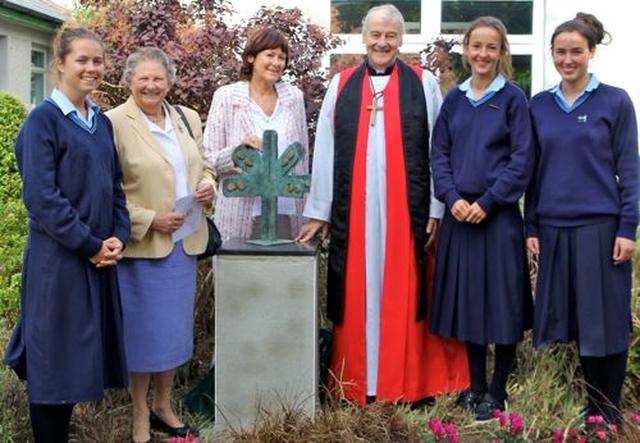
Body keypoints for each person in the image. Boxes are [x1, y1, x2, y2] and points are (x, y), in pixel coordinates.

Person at [296, 4, 469, 406]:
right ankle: (358, 382)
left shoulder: (423, 84)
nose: (382, 42)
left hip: (404, 211)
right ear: (363, 36)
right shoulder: (341, 85)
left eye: (390, 36)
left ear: (401, 40)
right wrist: (321, 210)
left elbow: (438, 150)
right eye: (375, 34)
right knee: (357, 288)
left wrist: (435, 208)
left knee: (404, 291)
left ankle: (403, 382)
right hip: (354, 211)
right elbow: (324, 148)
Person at [2, 25, 130, 442]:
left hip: (96, 260)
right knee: (53, 365)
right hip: (58, 263)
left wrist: (117, 238)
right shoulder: (43, 121)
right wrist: (90, 244)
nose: (91, 68)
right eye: (82, 60)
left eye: (97, 60)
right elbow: (42, 199)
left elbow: (114, 189)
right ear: (59, 64)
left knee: (75, 363)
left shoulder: (101, 123)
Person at [525, 13, 638, 425]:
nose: (568, 59)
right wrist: (531, 225)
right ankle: (593, 411)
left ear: (591, 53)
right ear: (551, 54)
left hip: (601, 227)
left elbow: (630, 168)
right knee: (573, 321)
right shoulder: (539, 105)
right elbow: (533, 172)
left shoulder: (615, 101)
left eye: (576, 51)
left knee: (605, 320)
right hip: (554, 228)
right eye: (560, 52)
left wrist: (628, 228)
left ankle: (611, 412)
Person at [106, 47, 216, 443]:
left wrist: (209, 187)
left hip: (184, 243)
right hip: (142, 249)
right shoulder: (113, 123)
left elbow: (203, 165)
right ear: (129, 81)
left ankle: (163, 406)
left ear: (170, 80)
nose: (152, 86)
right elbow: (108, 191)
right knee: (141, 337)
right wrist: (149, 219)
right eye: (143, 79)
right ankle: (138, 415)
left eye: (159, 79)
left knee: (172, 334)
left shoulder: (187, 117)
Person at [428, 16, 534, 421]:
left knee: (503, 303)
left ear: (501, 52)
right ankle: (474, 388)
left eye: (492, 47)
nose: (483, 54)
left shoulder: (513, 99)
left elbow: (523, 159)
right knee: (470, 302)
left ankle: (498, 390)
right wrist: (451, 197)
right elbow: (439, 153)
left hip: (498, 217)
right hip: (459, 216)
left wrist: (489, 201)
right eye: (477, 46)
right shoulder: (453, 99)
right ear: (466, 49)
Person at [203, 27, 308, 241]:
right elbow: (208, 158)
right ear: (251, 57)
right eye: (269, 55)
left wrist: (306, 213)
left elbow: (302, 160)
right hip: (241, 210)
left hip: (287, 210)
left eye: (282, 57)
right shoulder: (227, 97)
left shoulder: (294, 98)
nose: (276, 63)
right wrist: (238, 152)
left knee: (287, 273)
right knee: (242, 272)